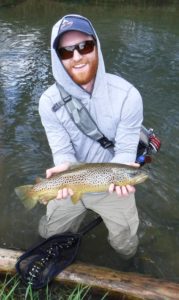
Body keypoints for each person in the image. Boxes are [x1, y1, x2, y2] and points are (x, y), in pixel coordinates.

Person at [38, 14, 143, 259]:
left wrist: (125, 174)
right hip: (70, 182)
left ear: (96, 46)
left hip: (112, 186)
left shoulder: (128, 96)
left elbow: (126, 152)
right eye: (66, 52)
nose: (77, 57)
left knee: (125, 241)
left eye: (85, 46)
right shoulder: (48, 102)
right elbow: (61, 150)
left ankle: (129, 266)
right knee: (49, 235)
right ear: (58, 58)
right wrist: (62, 169)